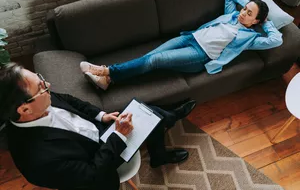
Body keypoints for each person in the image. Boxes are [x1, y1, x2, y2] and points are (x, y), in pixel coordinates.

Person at [0, 62, 197, 190]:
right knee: (150, 116)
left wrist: (101, 115)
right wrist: (118, 136)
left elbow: (69, 100)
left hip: (100, 129)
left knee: (146, 113)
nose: (48, 84)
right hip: (101, 162)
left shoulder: (40, 100)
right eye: (41, 87)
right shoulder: (38, 160)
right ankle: (170, 117)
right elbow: (93, 175)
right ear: (24, 110)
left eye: (41, 78)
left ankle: (160, 149)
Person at [79, 0, 283, 90]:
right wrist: (250, 3)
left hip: (199, 56)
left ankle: (106, 71)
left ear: (256, 20)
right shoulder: (231, 14)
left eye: (249, 14)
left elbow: (276, 40)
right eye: (245, 9)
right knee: (152, 55)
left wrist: (265, 21)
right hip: (190, 37)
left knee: (155, 61)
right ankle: (109, 81)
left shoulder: (251, 38)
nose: (243, 13)